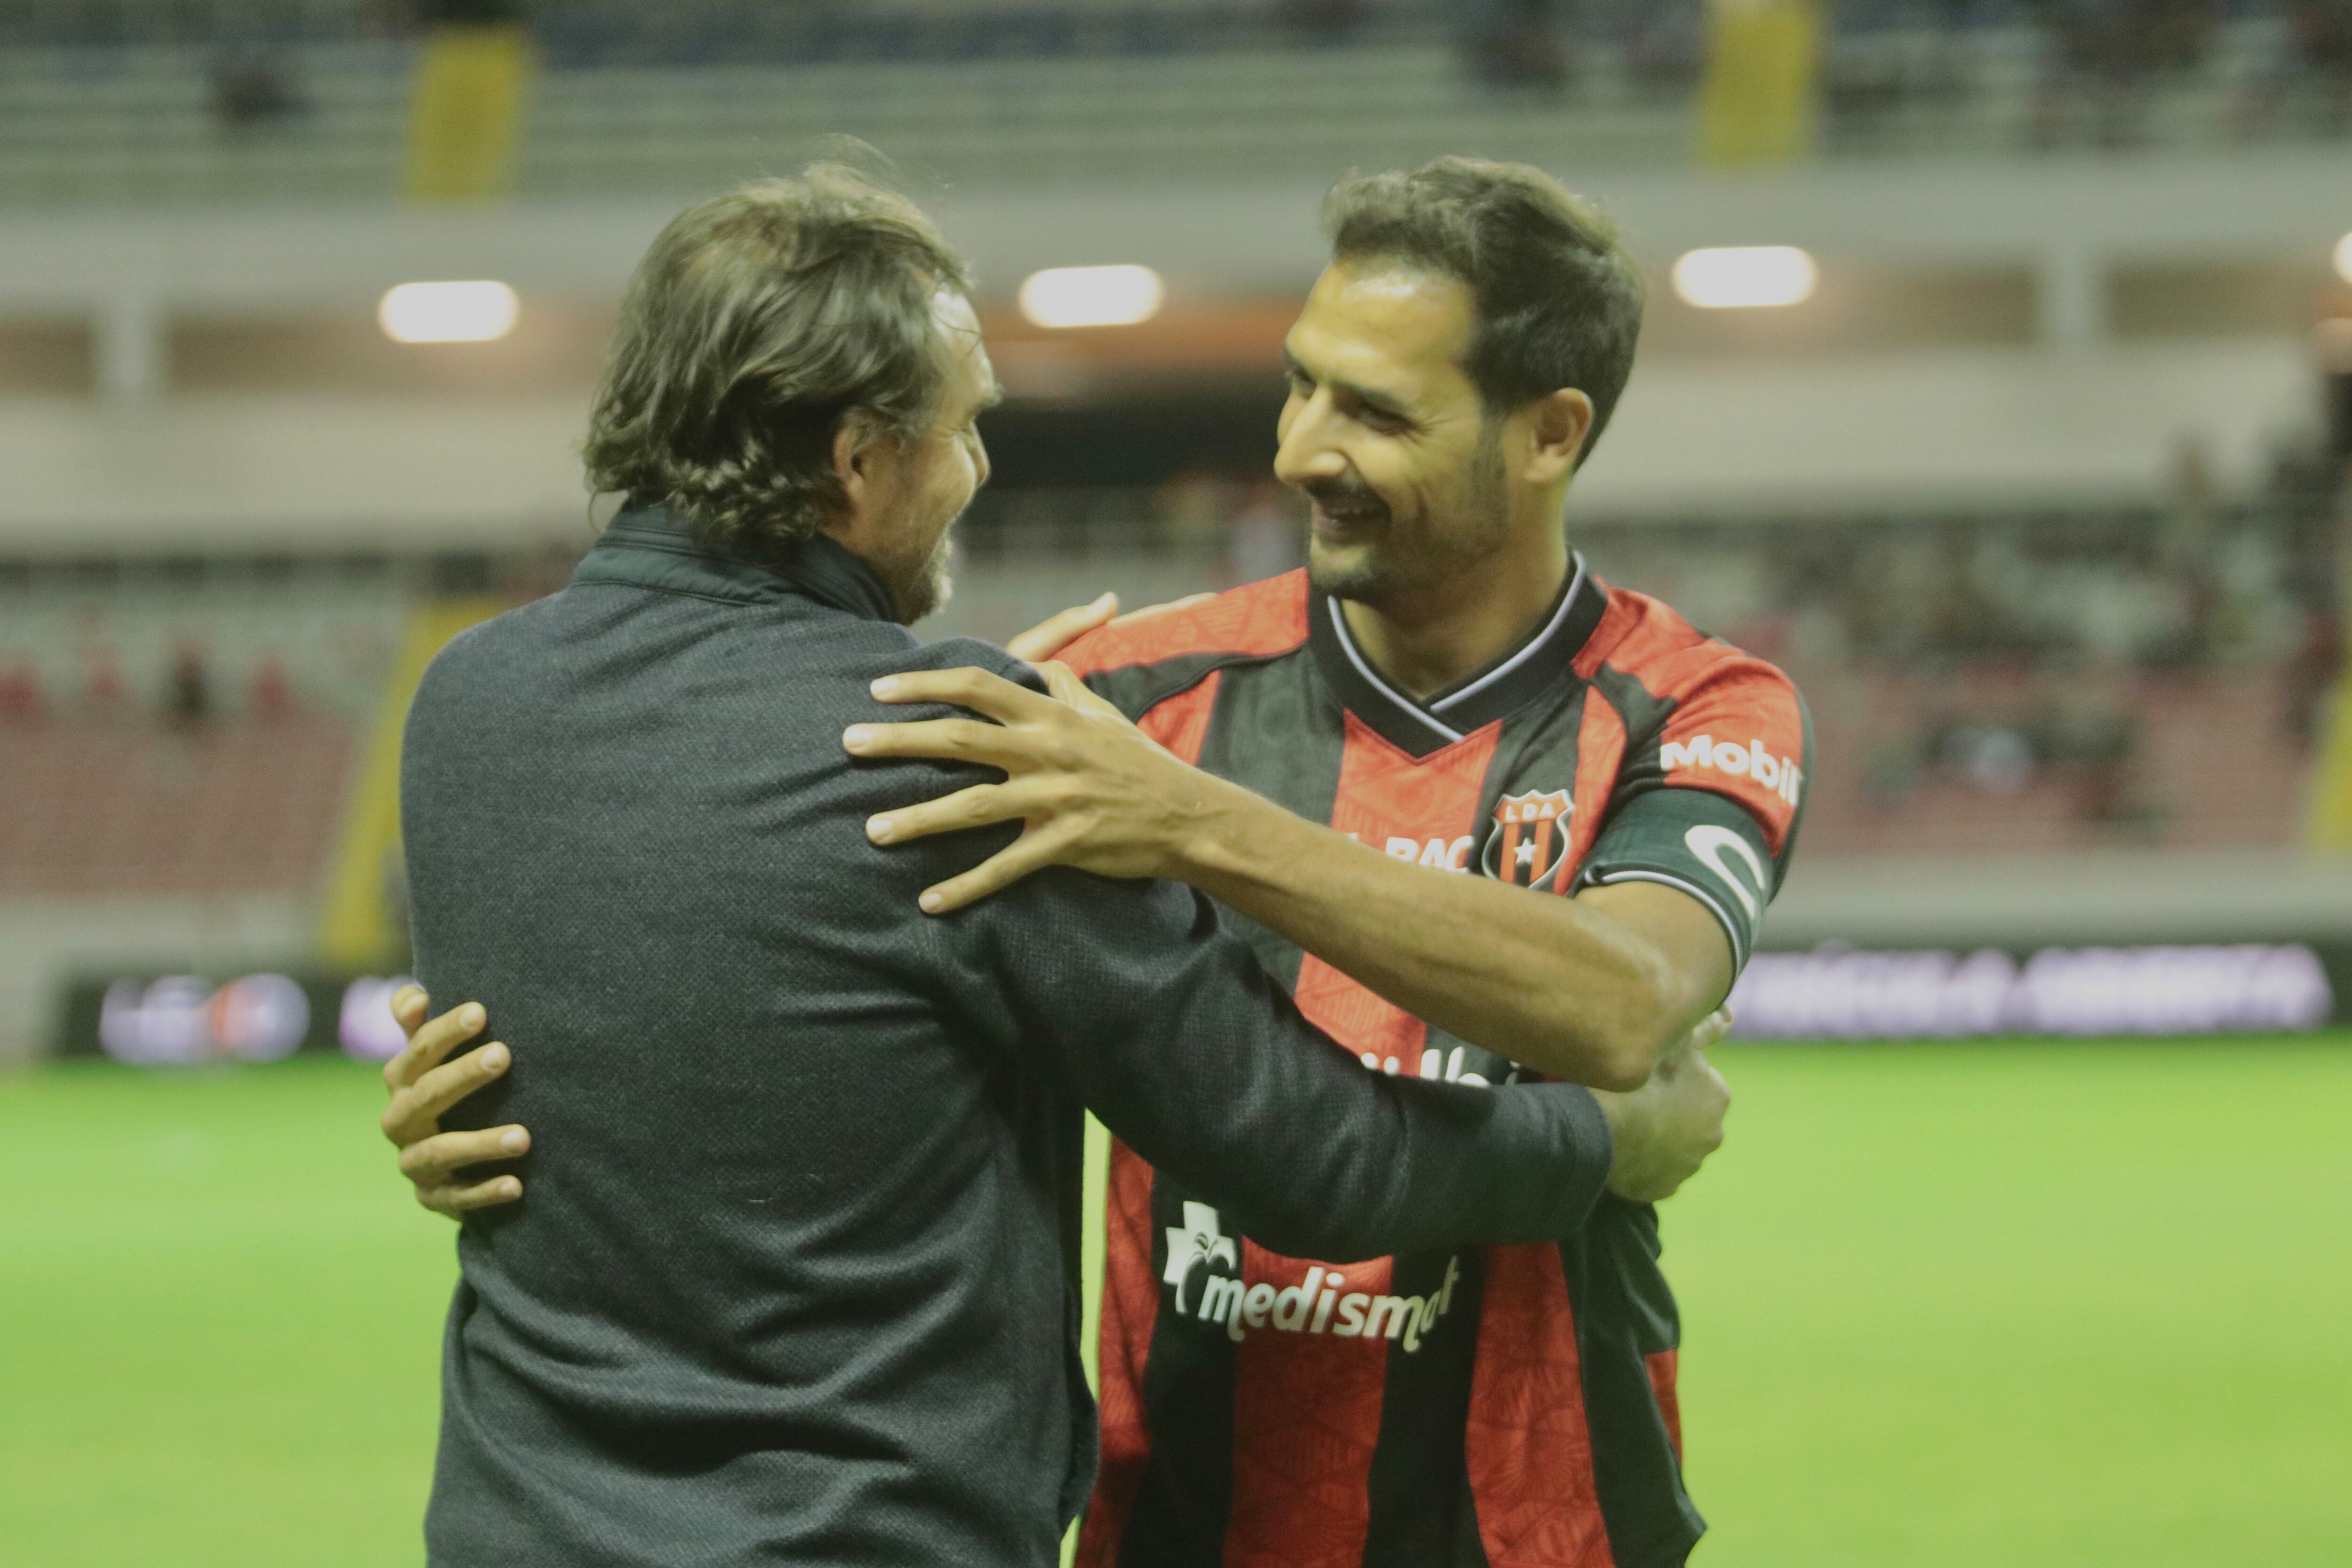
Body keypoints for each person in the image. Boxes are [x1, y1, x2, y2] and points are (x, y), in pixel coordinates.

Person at [387, 166, 1723, 1568]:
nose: (976, 470)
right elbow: (1311, 1154)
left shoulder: (467, 704)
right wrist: (1601, 1142)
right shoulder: (954, 753)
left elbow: (690, 988)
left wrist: (447, 1119)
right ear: (858, 461)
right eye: (963, 429)